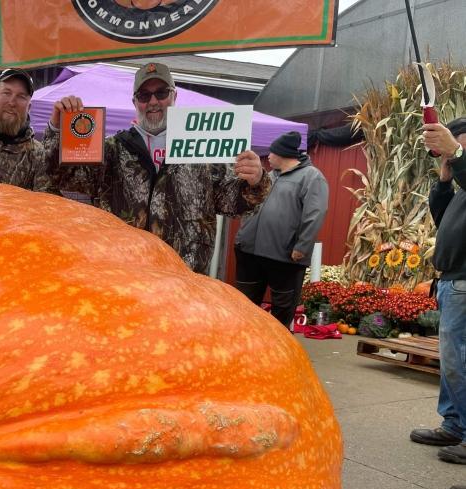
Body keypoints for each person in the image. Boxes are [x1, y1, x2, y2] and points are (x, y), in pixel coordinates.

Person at [45, 62, 270, 274]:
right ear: (135, 102)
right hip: (123, 274)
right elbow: (64, 177)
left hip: (184, 279)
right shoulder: (111, 149)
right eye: (144, 95)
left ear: (174, 96)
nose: (153, 101)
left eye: (161, 93)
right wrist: (57, 129)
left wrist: (255, 180)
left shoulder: (202, 148)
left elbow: (231, 203)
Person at [412, 117, 466, 489]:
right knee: (452, 361)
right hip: (450, 278)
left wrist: (458, 155)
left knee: (459, 360)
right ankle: (453, 424)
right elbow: (442, 217)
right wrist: (445, 181)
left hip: (464, 280)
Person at [234, 131, 329, 329]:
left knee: (282, 310)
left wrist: (302, 246)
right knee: (243, 305)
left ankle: (280, 350)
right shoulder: (268, 176)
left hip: (285, 256)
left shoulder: (312, 177)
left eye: (272, 152)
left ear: (283, 154)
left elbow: (315, 214)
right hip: (250, 251)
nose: (268, 156)